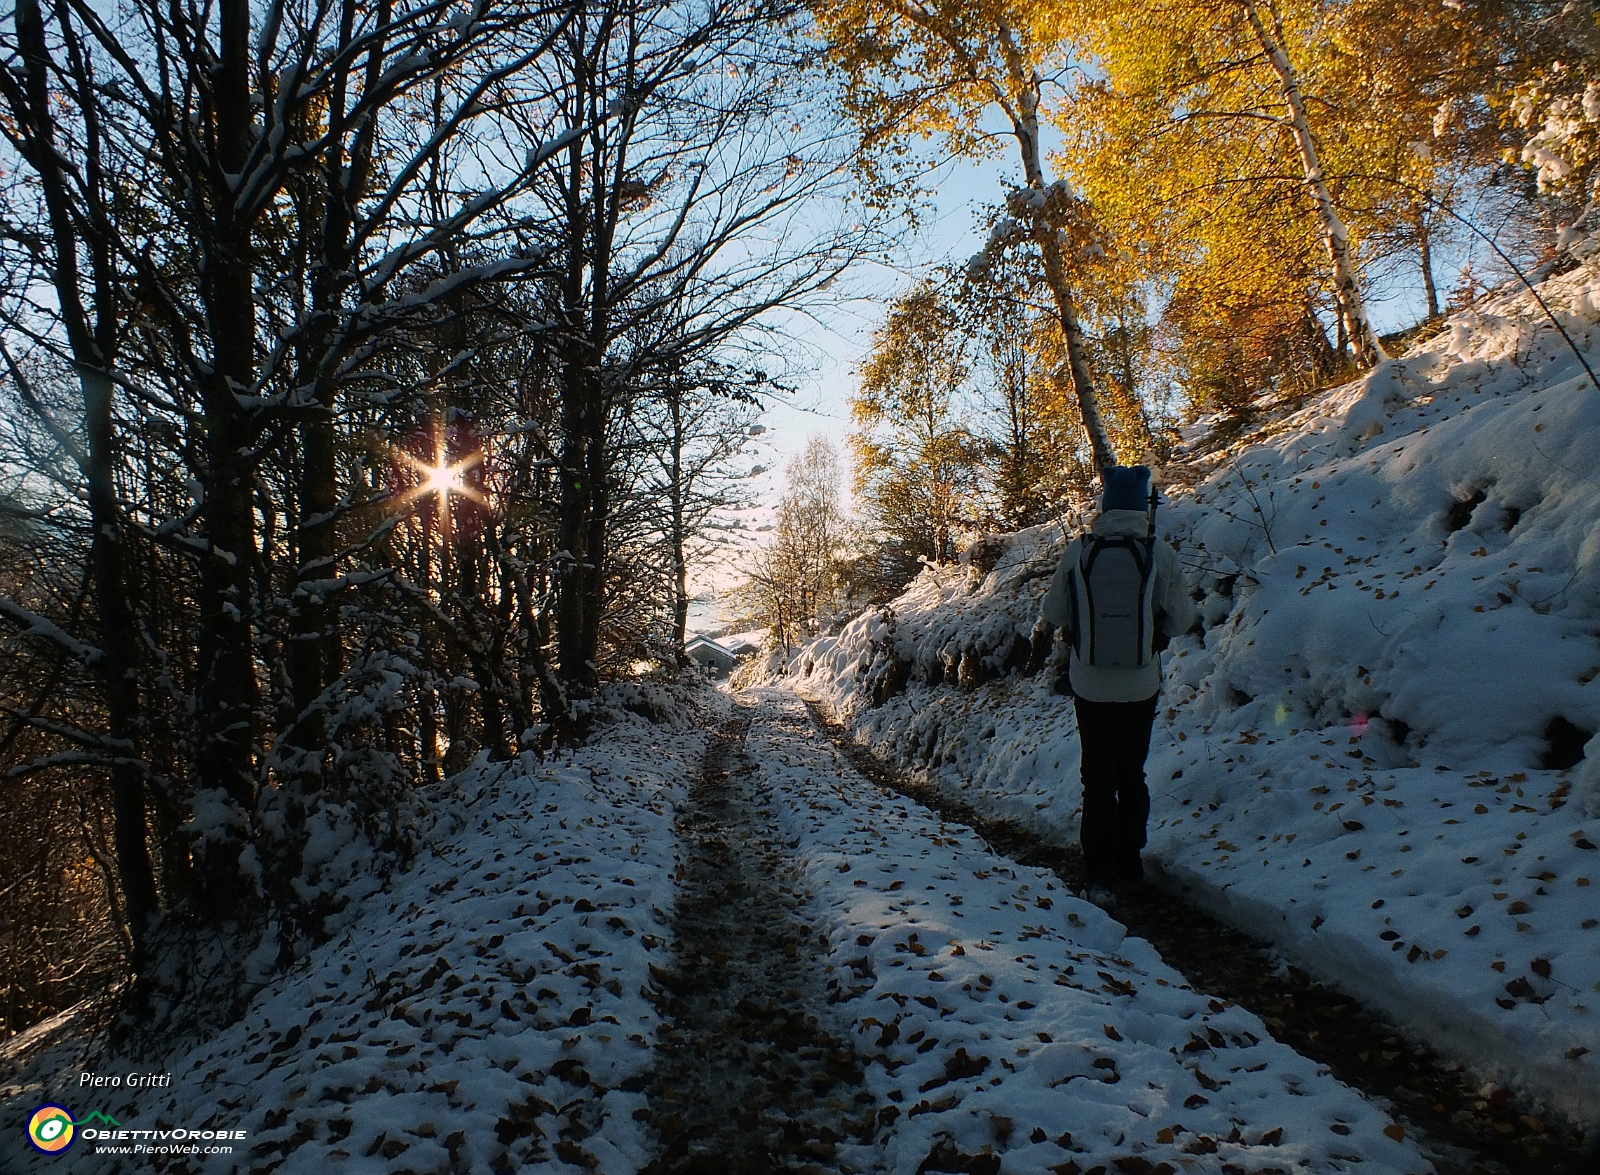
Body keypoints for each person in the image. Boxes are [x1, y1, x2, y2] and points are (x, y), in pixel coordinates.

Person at [1039, 465, 1197, 905]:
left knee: (1097, 778)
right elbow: (1183, 619)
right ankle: (1130, 864)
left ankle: (1099, 877)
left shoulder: (1080, 550)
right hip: (1140, 682)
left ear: (1105, 506)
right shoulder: (1157, 552)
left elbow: (1053, 613)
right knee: (1131, 774)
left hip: (1089, 683)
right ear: (1143, 506)